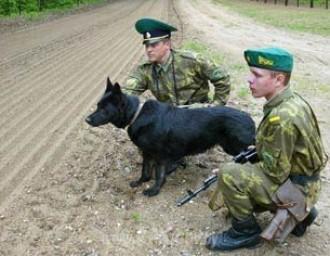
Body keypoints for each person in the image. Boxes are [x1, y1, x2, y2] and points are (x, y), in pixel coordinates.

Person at [206, 47, 328, 251]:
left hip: (297, 187)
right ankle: (302, 215)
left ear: (278, 79)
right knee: (241, 167)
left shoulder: (282, 117)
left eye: (256, 75)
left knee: (229, 174)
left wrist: (237, 170)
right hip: (306, 183)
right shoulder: (292, 101)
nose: (249, 80)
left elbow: (275, 173)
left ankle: (245, 232)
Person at [123, 18, 231, 106]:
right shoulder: (145, 71)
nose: (149, 50)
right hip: (170, 122)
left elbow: (222, 76)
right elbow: (126, 92)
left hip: (199, 118)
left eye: (154, 45)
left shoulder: (190, 60)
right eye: (147, 45)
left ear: (167, 44)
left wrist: (216, 106)